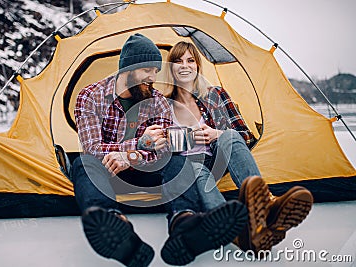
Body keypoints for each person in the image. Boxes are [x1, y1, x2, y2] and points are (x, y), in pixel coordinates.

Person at [73, 33, 248, 267]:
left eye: (156, 71)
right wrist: (135, 146)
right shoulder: (91, 96)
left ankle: (184, 222)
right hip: (108, 171)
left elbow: (162, 149)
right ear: (130, 68)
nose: (153, 77)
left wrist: (133, 155)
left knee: (177, 160)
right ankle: (115, 227)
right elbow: (92, 148)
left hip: (147, 169)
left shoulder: (158, 101)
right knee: (83, 163)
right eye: (148, 70)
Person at [163, 41, 314, 255]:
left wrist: (217, 134)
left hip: (217, 157)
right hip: (188, 166)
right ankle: (237, 231)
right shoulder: (162, 104)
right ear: (171, 68)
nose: (184, 66)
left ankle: (267, 205)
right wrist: (187, 138)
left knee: (231, 135)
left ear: (198, 66)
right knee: (195, 169)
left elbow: (244, 135)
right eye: (178, 61)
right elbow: (160, 149)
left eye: (190, 60)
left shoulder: (216, 94)